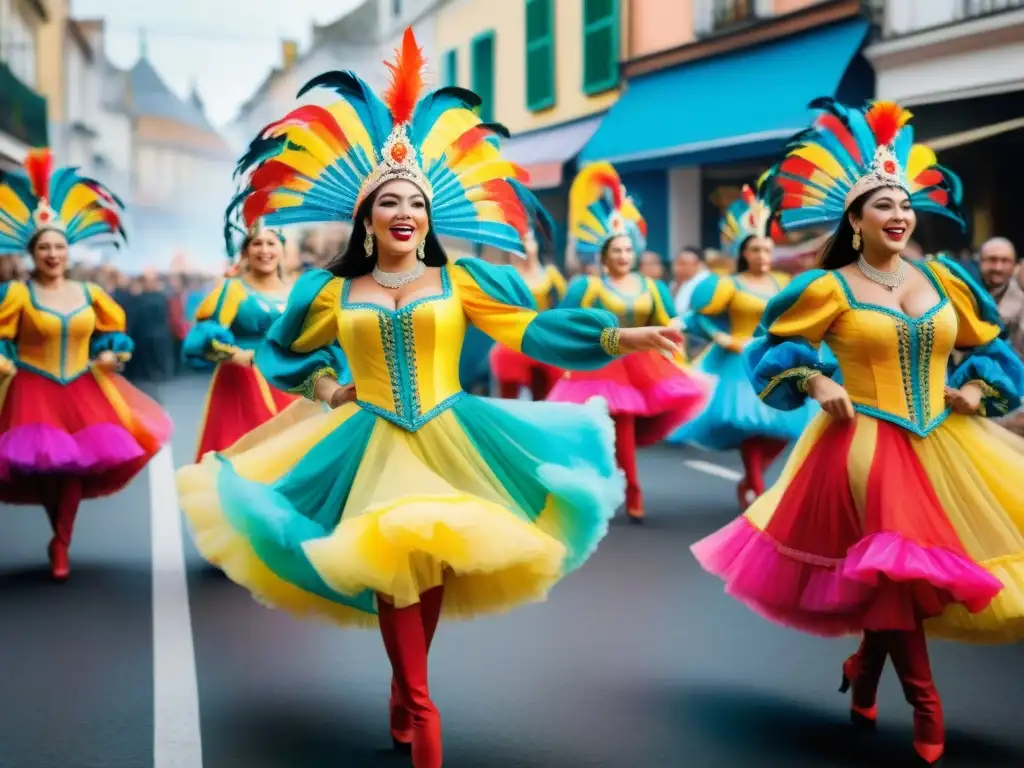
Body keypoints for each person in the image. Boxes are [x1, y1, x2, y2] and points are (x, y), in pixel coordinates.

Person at [175, 29, 681, 768]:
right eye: (389, 201)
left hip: (452, 432)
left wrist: (618, 339)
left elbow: (535, 328)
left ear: (429, 214)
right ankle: (418, 698)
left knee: (431, 563)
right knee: (390, 558)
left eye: (415, 200)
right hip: (369, 437)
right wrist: (324, 384)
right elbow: (282, 351)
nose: (404, 210)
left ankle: (405, 683)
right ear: (368, 217)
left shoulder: (462, 281)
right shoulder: (332, 290)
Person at [691, 98, 1024, 766]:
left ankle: (864, 671)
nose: (899, 215)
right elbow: (769, 348)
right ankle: (928, 704)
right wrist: (818, 381)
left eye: (905, 205)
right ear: (855, 218)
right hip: (864, 443)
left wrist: (973, 389)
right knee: (898, 570)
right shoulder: (828, 288)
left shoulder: (944, 281)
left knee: (897, 582)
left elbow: (994, 350)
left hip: (944, 442)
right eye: (883, 206)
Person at [0, 148, 172, 580]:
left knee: (73, 468)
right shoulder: (18, 295)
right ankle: (55, 520)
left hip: (82, 386)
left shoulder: (90, 295)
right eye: (45, 247)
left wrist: (115, 352)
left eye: (59, 246)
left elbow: (115, 334)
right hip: (31, 388)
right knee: (41, 470)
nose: (53, 254)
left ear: (68, 251)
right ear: (32, 252)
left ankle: (62, 541)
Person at [546, 162, 711, 523]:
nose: (623, 256)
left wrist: (676, 336)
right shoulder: (586, 287)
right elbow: (562, 322)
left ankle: (633, 487)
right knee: (587, 431)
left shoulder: (650, 287)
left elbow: (668, 321)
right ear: (604, 255)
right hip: (594, 366)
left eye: (627, 250)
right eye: (616, 251)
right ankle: (588, 486)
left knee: (623, 426)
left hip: (637, 368)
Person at [669, 185, 818, 508]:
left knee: (783, 427)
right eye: (755, 251)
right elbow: (699, 317)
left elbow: (799, 316)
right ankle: (757, 485)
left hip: (778, 360)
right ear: (743, 254)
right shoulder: (728, 285)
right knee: (751, 424)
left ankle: (754, 477)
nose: (763, 256)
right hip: (740, 362)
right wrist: (722, 338)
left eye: (767, 250)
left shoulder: (783, 282)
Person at [182, 208, 343, 461]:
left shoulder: (295, 291)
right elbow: (204, 334)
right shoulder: (233, 289)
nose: (264, 250)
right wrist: (233, 353)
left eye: (271, 243)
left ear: (281, 250)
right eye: (257, 243)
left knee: (291, 456)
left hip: (289, 379)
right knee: (246, 456)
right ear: (245, 252)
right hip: (243, 383)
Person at [488, 229, 567, 400]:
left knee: (546, 397)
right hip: (513, 342)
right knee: (508, 398)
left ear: (536, 245)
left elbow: (567, 304)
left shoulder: (550, 274)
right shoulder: (505, 275)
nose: (525, 246)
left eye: (529, 241)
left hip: (543, 341)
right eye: (519, 242)